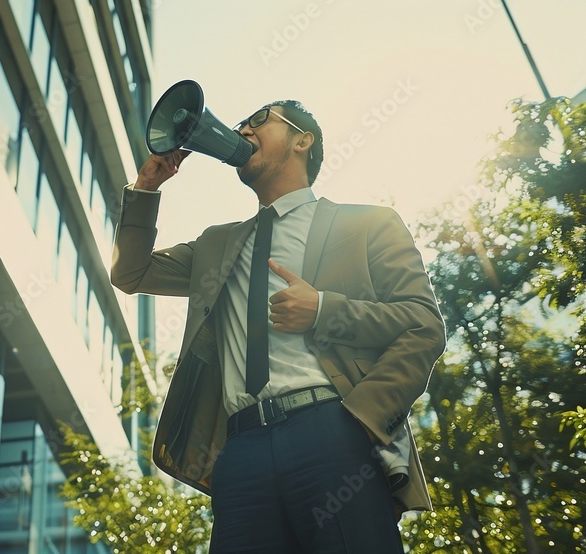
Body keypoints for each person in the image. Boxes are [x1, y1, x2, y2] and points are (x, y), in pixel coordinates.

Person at [110, 100, 447, 552]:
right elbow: (130, 273)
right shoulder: (216, 245)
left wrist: (326, 314)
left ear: (302, 140)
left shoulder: (369, 224)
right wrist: (147, 187)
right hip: (240, 452)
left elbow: (423, 325)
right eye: (240, 124)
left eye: (259, 120)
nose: (244, 128)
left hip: (335, 430)